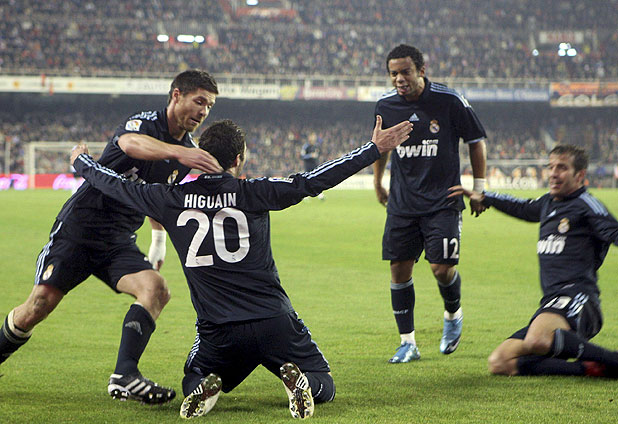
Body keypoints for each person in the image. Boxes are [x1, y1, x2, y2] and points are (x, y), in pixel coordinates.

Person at [70, 116, 412, 419]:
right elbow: (312, 181)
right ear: (238, 159)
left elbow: (114, 184)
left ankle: (207, 387)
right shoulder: (254, 192)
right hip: (274, 321)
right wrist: (372, 149)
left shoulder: (169, 199)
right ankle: (302, 383)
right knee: (324, 382)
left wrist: (82, 162)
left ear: (199, 155)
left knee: (193, 377)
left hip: (218, 332)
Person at [0, 69, 222, 403]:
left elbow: (156, 196)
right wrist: (177, 152)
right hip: (80, 229)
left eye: (209, 106)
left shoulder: (187, 152)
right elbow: (129, 144)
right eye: (199, 101)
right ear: (177, 95)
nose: (203, 111)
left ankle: (125, 375)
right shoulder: (146, 124)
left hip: (118, 240)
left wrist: (158, 240)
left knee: (156, 290)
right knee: (39, 305)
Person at [449, 144, 618, 378]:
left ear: (580, 175)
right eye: (551, 167)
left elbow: (614, 232)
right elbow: (522, 207)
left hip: (579, 300)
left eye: (562, 168)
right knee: (501, 361)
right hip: (551, 304)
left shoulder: (587, 206)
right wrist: (486, 197)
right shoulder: (548, 202)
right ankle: (590, 369)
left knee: (537, 339)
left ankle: (613, 360)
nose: (553, 173)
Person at [372, 44, 487, 363]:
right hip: (403, 202)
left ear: (421, 70)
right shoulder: (385, 105)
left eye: (405, 72)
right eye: (393, 73)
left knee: (442, 269)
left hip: (443, 200)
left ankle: (453, 313)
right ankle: (407, 343)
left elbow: (476, 141)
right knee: (399, 270)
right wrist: (378, 182)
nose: (399, 79)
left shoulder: (449, 101)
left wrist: (479, 188)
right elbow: (381, 147)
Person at [300, 132, 324, 200]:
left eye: (314, 137)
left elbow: (319, 154)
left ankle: (319, 194)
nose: (313, 139)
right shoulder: (306, 146)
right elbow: (302, 156)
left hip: (315, 165)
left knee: (317, 179)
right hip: (308, 165)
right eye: (312, 137)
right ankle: (305, 195)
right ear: (309, 138)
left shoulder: (316, 146)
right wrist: (310, 155)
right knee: (307, 180)